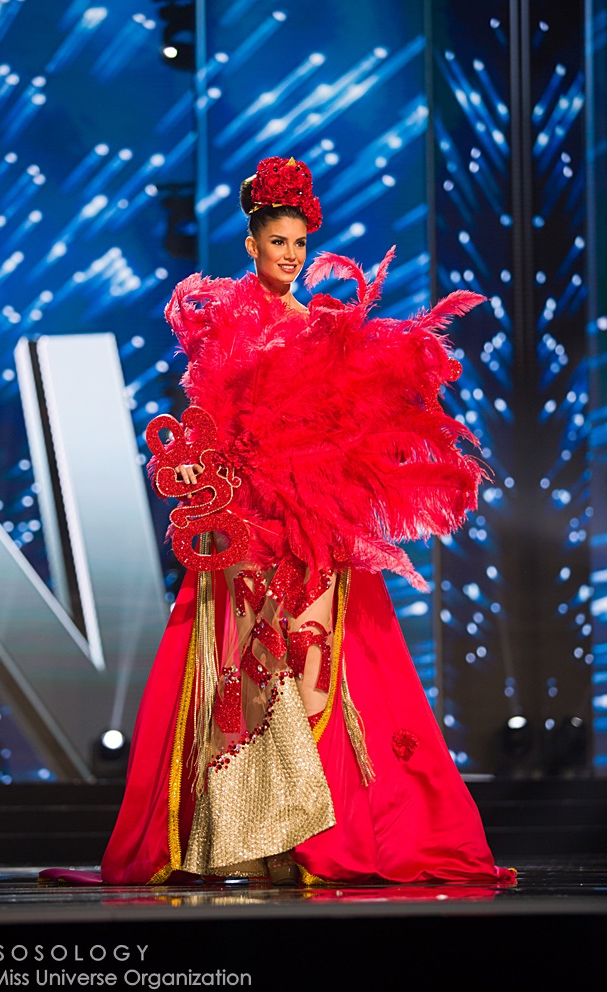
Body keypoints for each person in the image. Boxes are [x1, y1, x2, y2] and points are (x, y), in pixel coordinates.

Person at [100, 156, 516, 888]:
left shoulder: (320, 325)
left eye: (299, 244)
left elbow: (345, 420)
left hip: (311, 520)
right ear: (252, 244)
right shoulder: (224, 314)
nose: (289, 256)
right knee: (244, 674)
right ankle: (246, 837)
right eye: (277, 242)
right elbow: (206, 414)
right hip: (242, 524)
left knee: (313, 669)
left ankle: (309, 838)